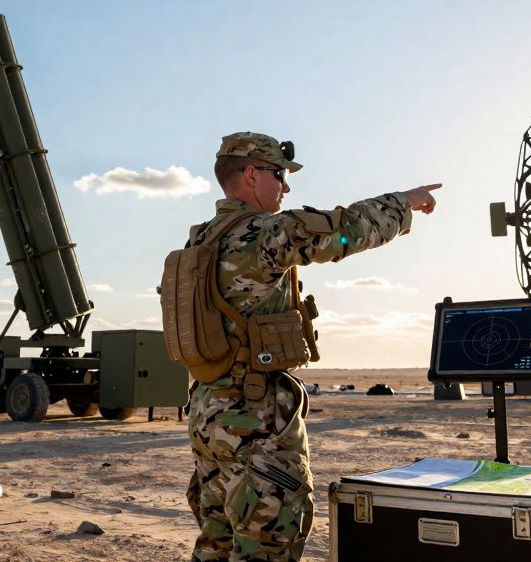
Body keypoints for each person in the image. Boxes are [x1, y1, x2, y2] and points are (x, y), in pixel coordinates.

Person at [185, 132, 439, 562]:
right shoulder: (260, 233)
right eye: (280, 175)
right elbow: (341, 232)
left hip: (209, 413)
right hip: (255, 418)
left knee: (218, 543)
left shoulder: (202, 240)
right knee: (268, 544)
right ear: (251, 174)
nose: (286, 187)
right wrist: (403, 202)